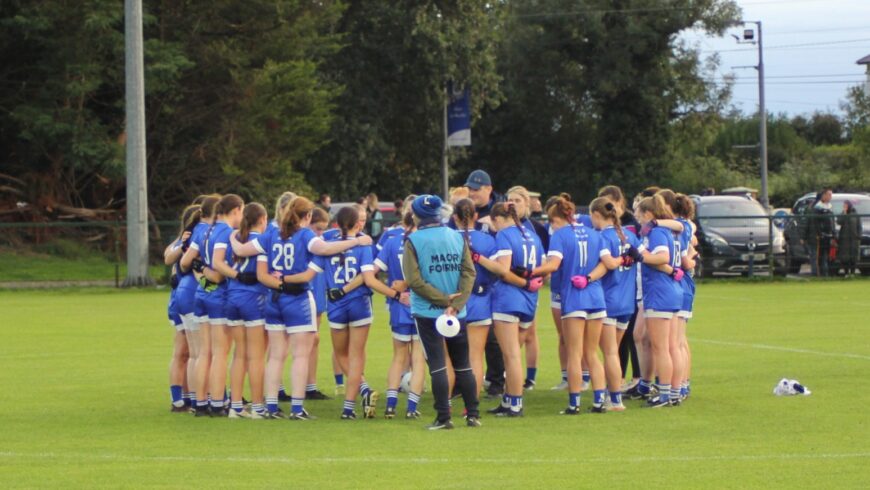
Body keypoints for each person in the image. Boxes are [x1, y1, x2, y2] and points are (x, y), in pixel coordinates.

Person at [403, 194, 480, 430]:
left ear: (416, 216)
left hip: (427, 312)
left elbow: (413, 281)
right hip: (457, 314)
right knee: (463, 364)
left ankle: (444, 417)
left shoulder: (413, 240)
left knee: (437, 365)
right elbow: (469, 273)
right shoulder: (457, 237)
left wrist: (441, 299)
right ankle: (473, 415)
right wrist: (455, 304)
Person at [533, 197, 609, 414]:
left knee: (575, 353)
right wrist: (590, 278)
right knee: (592, 353)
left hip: (575, 297)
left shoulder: (560, 235)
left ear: (558, 218)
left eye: (552, 221)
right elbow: (605, 264)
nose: (550, 226)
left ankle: (574, 404)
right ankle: (598, 401)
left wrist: (530, 272)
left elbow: (554, 265)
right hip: (596, 296)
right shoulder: (594, 233)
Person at [316, 205, 380, 420]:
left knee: (341, 354)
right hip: (359, 303)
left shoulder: (327, 244)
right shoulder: (364, 245)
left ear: (336, 224)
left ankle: (363, 390)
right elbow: (367, 276)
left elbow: (313, 267)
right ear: (357, 224)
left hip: (335, 305)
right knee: (356, 355)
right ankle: (349, 408)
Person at [625, 195, 684, 408]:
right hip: (671, 290)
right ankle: (675, 392)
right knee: (671, 347)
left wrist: (641, 256)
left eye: (639, 214)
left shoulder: (657, 232)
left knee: (662, 347)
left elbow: (662, 257)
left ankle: (666, 394)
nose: (638, 219)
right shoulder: (668, 230)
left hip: (659, 291)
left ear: (648, 214)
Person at [487, 202, 545, 417]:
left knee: (510, 355)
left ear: (497, 219)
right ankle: (509, 399)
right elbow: (542, 269)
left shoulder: (504, 235)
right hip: (530, 300)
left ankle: (515, 404)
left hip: (508, 298)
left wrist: (483, 261)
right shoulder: (532, 235)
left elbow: (503, 271)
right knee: (514, 353)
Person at [371, 211, 426, 419]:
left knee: (398, 357)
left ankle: (391, 405)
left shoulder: (392, 242)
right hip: (422, 304)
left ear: (403, 222)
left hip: (399, 306)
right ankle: (412, 409)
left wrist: (394, 293)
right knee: (418, 358)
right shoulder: (425, 242)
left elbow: (371, 274)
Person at [589, 197, 639, 412]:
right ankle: (613, 393)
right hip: (627, 302)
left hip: (608, 301)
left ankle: (615, 399)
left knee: (609, 352)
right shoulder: (630, 236)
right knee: (614, 351)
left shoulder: (601, 238)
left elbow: (605, 265)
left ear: (596, 215)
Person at [461, 169, 507, 398]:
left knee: (493, 341)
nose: (472, 193)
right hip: (475, 288)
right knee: (471, 346)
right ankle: (466, 387)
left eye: (476, 189)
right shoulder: (469, 213)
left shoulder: (499, 211)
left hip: (492, 285)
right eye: (470, 189)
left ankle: (497, 381)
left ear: (489, 189)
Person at [223, 202, 269, 418]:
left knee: (239, 354)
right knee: (256, 356)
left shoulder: (236, 238)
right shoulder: (260, 240)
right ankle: (258, 407)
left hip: (232, 297)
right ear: (262, 219)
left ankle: (235, 406)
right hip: (253, 299)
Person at [162, 205, 201, 412]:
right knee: (185, 351)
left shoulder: (197, 237)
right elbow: (168, 257)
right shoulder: (189, 239)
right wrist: (182, 244)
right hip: (184, 297)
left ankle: (187, 396)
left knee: (188, 352)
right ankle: (181, 399)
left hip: (182, 296)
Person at [805, 188, 834, 277]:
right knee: (818, 256)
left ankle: (825, 274)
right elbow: (813, 223)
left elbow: (832, 222)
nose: (830, 197)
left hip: (828, 236)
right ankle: (817, 275)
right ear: (823, 195)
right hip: (819, 237)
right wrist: (819, 233)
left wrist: (833, 234)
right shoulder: (816, 208)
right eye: (829, 195)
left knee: (826, 256)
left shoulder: (829, 207)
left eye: (831, 195)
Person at [837, 200, 862, 276]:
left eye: (846, 205)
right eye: (844, 206)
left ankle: (853, 272)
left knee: (854, 256)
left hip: (854, 239)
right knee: (845, 257)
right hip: (845, 239)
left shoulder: (855, 214)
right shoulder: (842, 214)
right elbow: (839, 222)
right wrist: (844, 213)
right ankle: (846, 272)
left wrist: (858, 235)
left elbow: (859, 226)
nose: (845, 207)